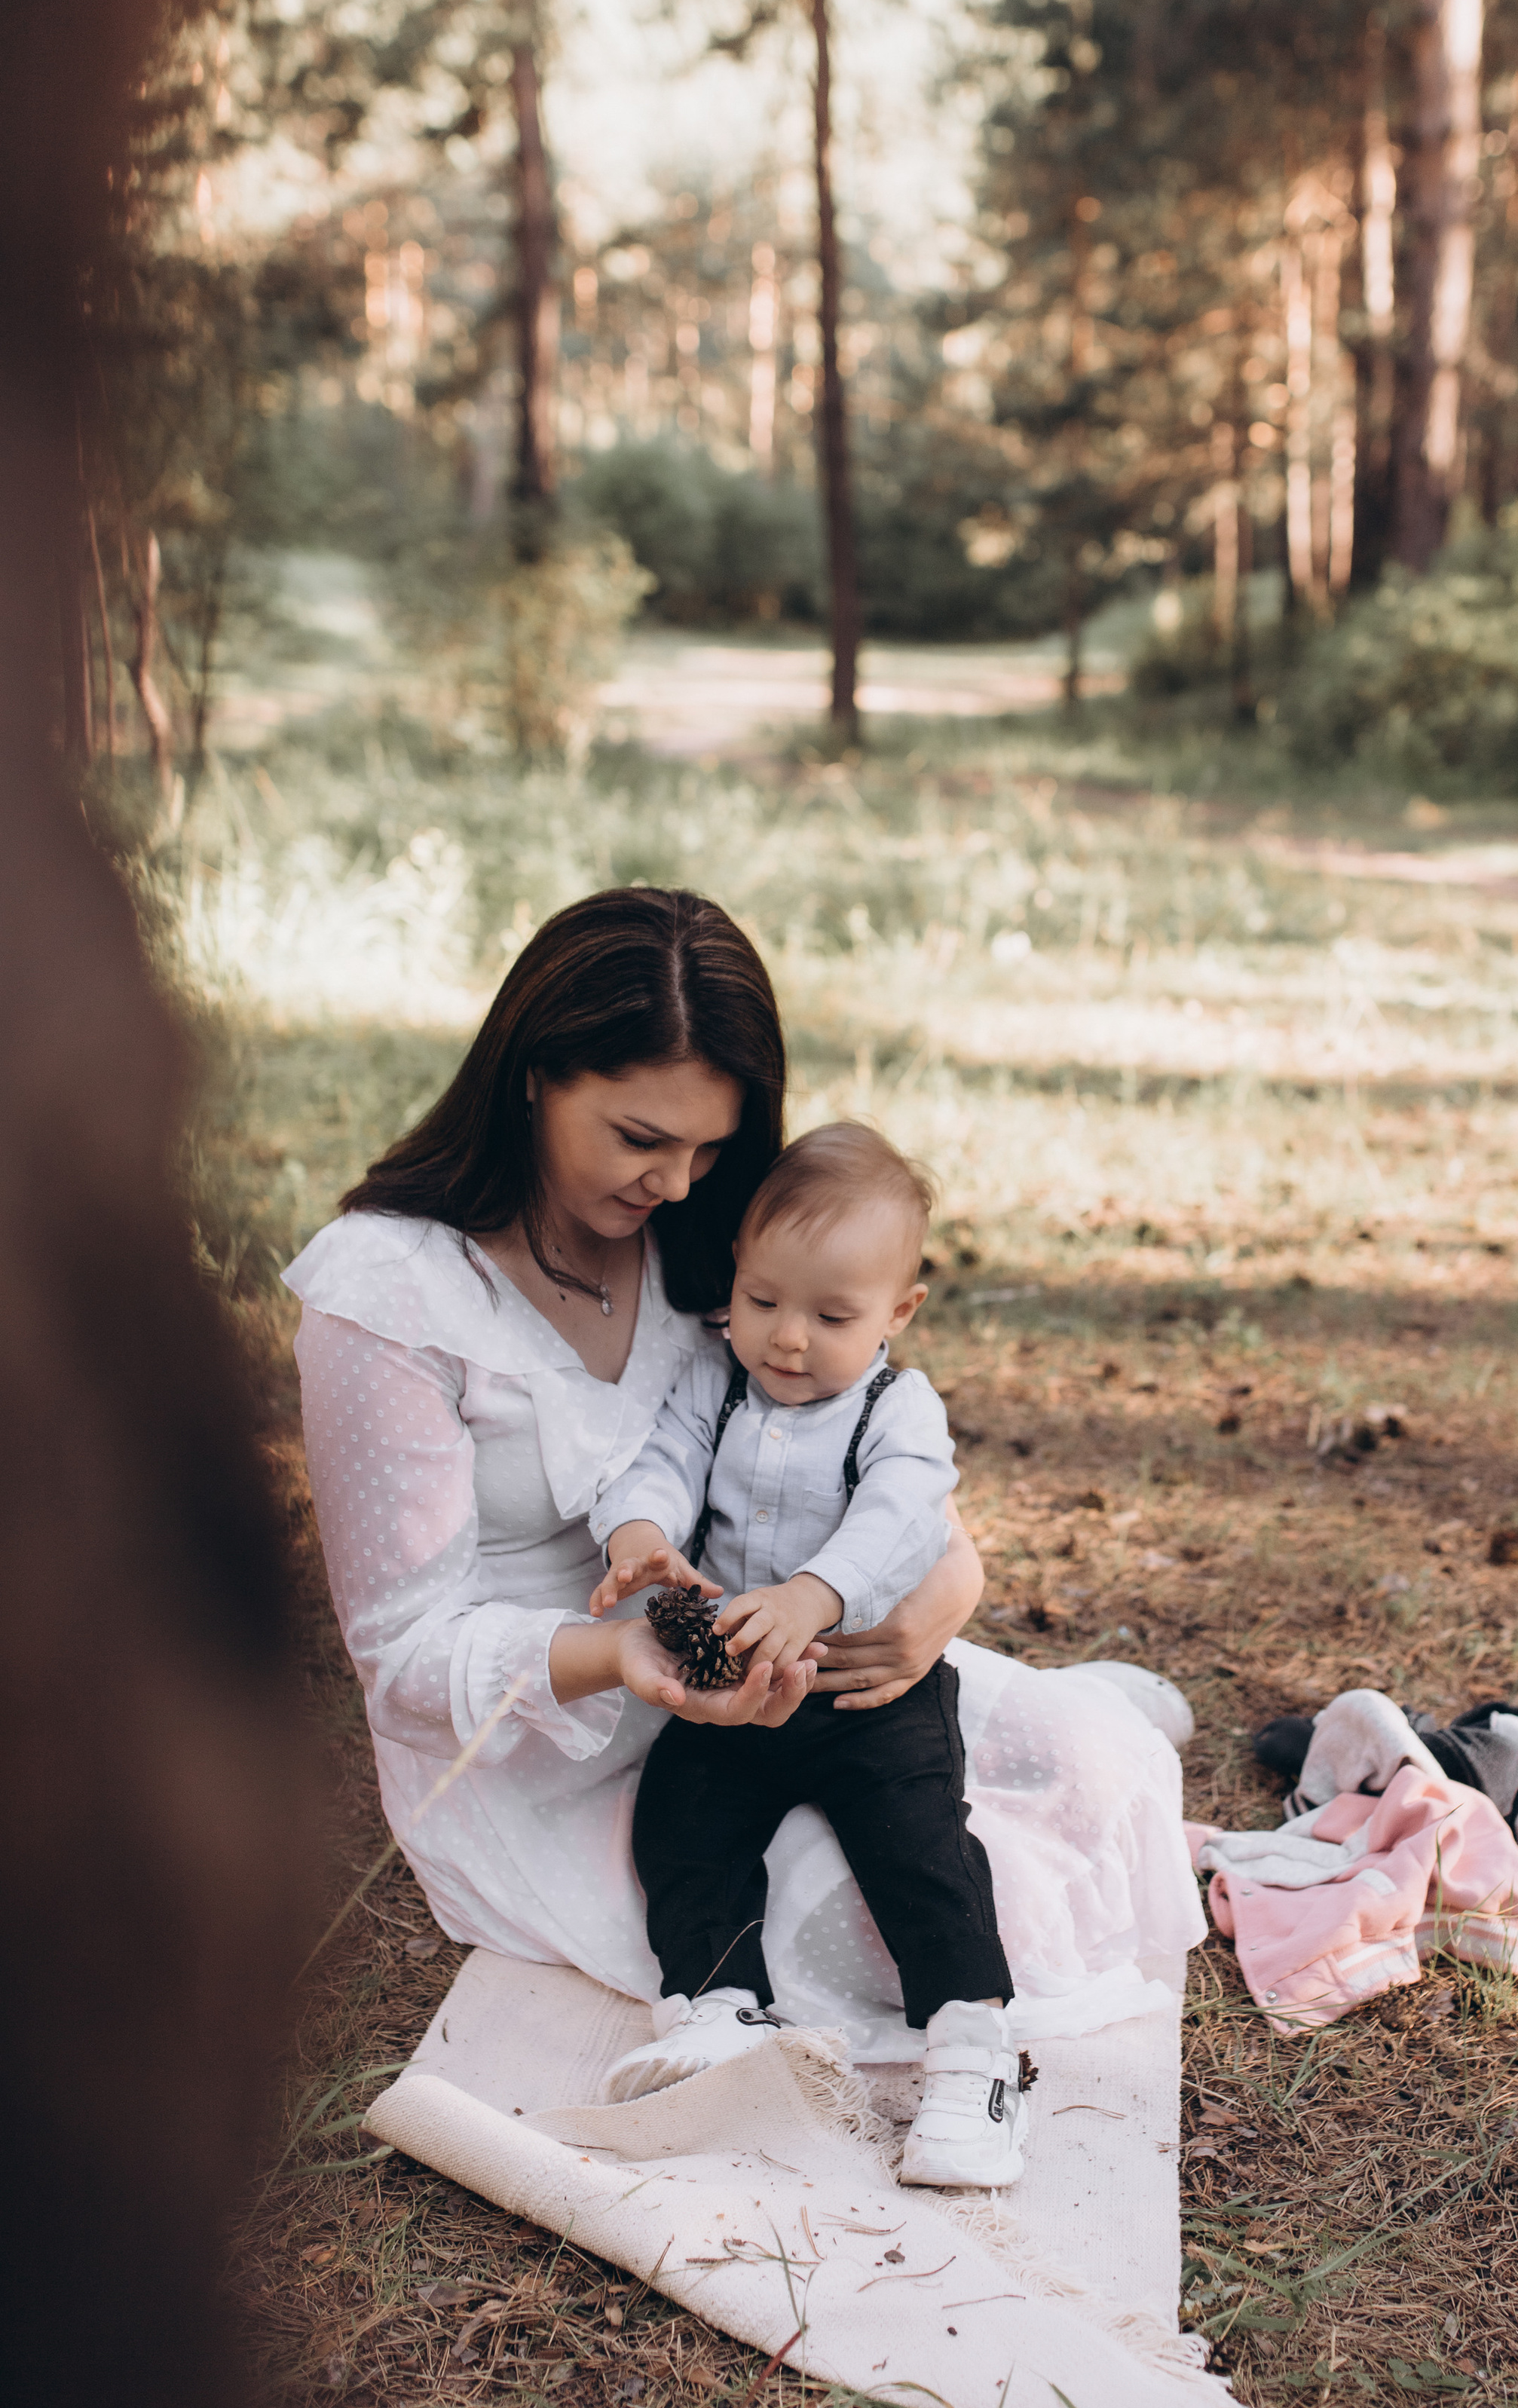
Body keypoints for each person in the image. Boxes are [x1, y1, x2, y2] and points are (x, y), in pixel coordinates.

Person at [282, 887, 1204, 2073]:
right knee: (894, 1928)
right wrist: (615, 1653)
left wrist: (940, 1601)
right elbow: (402, 1660)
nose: (675, 1182)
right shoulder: (388, 1293)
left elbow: (877, 1463)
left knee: (1052, 1799)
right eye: (639, 1138)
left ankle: (1099, 1711)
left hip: (764, 1657)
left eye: (709, 1146)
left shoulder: (707, 1239)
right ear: (531, 1072)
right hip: (546, 1734)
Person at [589, 1119, 1024, 2188]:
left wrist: (815, 1594)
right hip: (741, 1683)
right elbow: (661, 1459)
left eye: (832, 1315)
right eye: (766, 1300)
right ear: (734, 1276)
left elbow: (903, 1512)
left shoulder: (895, 1407)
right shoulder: (714, 1378)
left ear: (897, 1313)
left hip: (868, 1685)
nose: (788, 1338)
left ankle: (973, 2051)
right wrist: (639, 1535)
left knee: (920, 1842)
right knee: (683, 1819)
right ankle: (720, 2005)